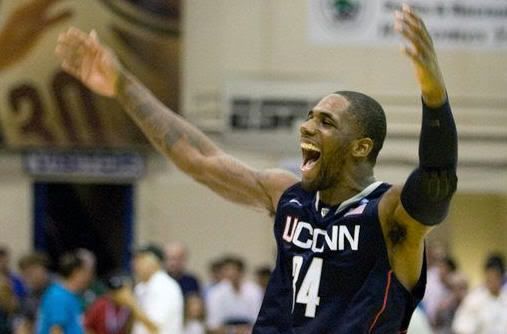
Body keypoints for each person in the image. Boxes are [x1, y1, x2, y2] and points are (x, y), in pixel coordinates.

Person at [55, 3, 458, 332]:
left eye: (325, 122)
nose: (307, 126)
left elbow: (438, 178)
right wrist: (122, 84)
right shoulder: (289, 196)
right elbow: (199, 159)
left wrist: (434, 93)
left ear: (361, 147)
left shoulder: (389, 215)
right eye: (310, 116)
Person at [36, 250, 95, 334]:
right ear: (76, 272)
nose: (90, 277)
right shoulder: (58, 296)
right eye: (87, 272)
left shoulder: (70, 295)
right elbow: (56, 330)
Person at [132, 244, 184, 334]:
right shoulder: (140, 288)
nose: (135, 264)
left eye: (141, 259)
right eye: (135, 259)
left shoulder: (165, 286)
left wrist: (129, 302)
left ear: (155, 262)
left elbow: (155, 327)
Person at [206, 256, 263, 334]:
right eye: (227, 270)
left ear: (241, 272)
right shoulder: (215, 293)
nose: (230, 273)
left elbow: (259, 321)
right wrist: (233, 330)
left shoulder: (254, 291)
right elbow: (212, 326)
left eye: (233, 270)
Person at [452, 254, 507, 334]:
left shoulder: (505, 298)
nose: (492, 281)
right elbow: (461, 326)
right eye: (489, 277)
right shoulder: (474, 300)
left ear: (501, 277)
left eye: (496, 277)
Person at [16, 252, 53, 334]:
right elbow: (27, 322)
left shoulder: (60, 288)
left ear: (41, 269)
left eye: (29, 274)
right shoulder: (29, 295)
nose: (26, 279)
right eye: (24, 275)